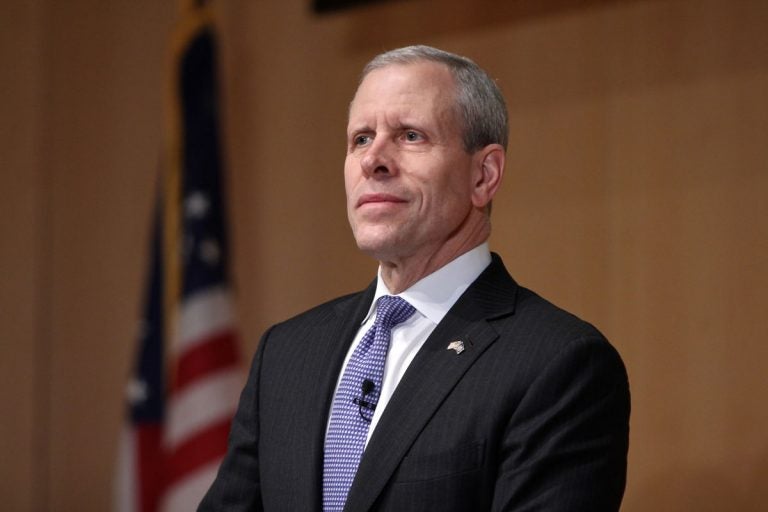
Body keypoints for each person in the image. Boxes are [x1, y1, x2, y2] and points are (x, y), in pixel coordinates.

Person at [199, 45, 630, 512]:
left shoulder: (559, 365)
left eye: (410, 136)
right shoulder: (286, 354)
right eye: (361, 138)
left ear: (484, 175)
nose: (373, 161)